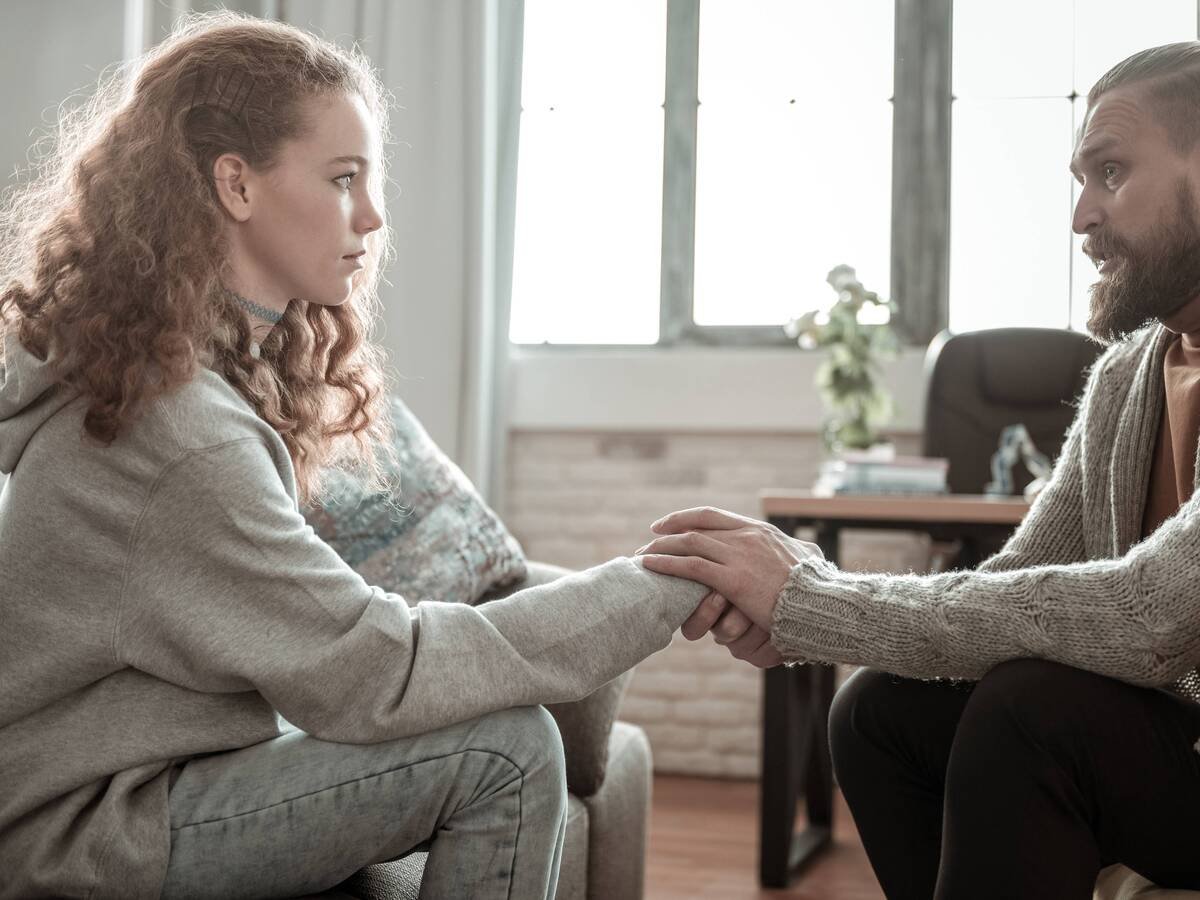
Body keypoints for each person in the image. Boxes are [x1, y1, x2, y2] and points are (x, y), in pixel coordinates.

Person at [0, 13, 710, 900]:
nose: (372, 215)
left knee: (507, 736)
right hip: (89, 828)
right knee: (507, 749)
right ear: (236, 184)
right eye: (343, 179)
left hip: (139, 788)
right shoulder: (178, 434)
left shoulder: (182, 380)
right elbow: (375, 674)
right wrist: (658, 586)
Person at [639, 41, 1200, 900]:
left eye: (1112, 173)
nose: (1081, 216)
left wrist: (821, 603)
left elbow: (1146, 617)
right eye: (1080, 180)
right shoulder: (1126, 378)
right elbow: (1018, 582)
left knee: (1029, 713)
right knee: (879, 712)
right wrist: (817, 622)